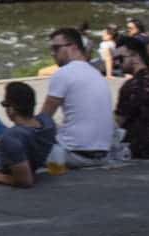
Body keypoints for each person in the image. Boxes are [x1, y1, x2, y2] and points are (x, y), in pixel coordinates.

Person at [40, 27, 115, 168]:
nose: (52, 53)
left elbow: (43, 119)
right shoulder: (96, 73)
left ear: (73, 47)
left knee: (19, 143)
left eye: (55, 48)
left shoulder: (63, 73)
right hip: (103, 155)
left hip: (73, 155)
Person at [0, 82, 58, 188]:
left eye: (4, 104)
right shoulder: (47, 122)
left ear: (11, 109)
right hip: (3, 144)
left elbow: (26, 181)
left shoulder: (12, 139)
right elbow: (20, 139)